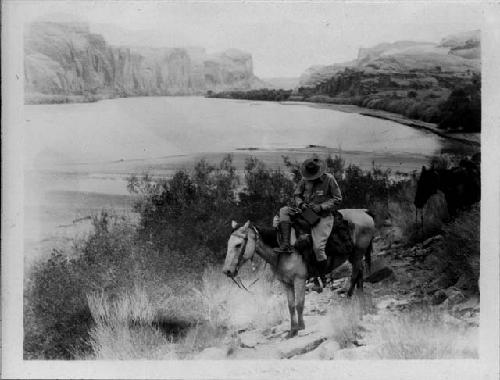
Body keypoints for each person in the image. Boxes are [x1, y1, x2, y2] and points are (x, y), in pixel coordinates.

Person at [275, 157, 342, 268]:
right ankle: (286, 244)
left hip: (323, 216)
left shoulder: (329, 179)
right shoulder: (305, 179)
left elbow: (337, 198)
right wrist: (301, 204)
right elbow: (297, 195)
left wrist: (321, 207)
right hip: (305, 212)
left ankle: (322, 274)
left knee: (318, 249)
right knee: (284, 211)